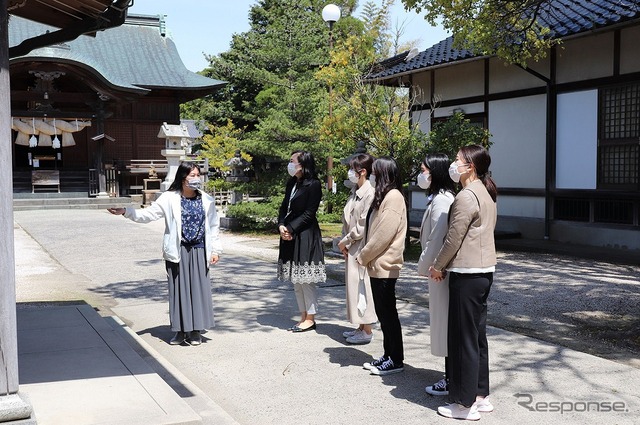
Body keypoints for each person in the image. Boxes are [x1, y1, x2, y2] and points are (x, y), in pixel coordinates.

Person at [107, 161, 222, 346]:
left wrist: (215, 249)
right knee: (179, 290)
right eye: (192, 175)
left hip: (200, 250)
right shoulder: (169, 198)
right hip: (178, 250)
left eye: (198, 175)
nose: (196, 179)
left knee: (198, 290)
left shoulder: (206, 200)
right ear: (182, 177)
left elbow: (214, 227)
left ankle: (195, 331)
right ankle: (180, 330)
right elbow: (149, 215)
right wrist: (126, 212)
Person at [429, 145, 497, 421]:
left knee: (463, 339)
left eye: (458, 160)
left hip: (467, 273)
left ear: (470, 166)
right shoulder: (485, 192)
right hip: (483, 272)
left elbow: (453, 239)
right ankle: (480, 396)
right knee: (477, 337)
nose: (454, 165)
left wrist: (437, 266)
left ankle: (464, 404)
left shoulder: (467, 196)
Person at [357, 157, 407, 375]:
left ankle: (395, 359)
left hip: (385, 264)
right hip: (377, 265)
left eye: (375, 172)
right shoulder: (384, 196)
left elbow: (383, 235)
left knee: (388, 314)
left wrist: (364, 255)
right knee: (383, 314)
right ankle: (388, 355)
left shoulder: (394, 197)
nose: (373, 175)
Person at [416, 154, 456, 396]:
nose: (421, 175)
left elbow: (436, 240)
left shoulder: (442, 201)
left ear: (435, 172)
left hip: (440, 272)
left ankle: (451, 377)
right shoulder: (437, 198)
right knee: (443, 323)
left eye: (424, 170)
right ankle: (449, 375)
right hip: (438, 270)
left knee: (445, 324)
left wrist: (426, 266)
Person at [277, 150, 326, 332]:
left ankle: (311, 317)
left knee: (306, 279)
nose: (290, 164)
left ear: (303, 164)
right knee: (296, 280)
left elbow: (309, 213)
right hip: (290, 234)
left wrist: (291, 228)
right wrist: (282, 225)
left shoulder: (314, 184)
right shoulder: (292, 183)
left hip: (306, 234)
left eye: (292, 161)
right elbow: (284, 206)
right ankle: (303, 315)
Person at [338, 153, 377, 345]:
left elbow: (362, 226)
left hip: (360, 247)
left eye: (353, 169)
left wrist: (345, 241)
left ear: (362, 171)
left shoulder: (370, 193)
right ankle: (361, 326)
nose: (350, 172)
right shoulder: (356, 191)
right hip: (351, 247)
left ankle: (367, 329)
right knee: (354, 288)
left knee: (363, 287)